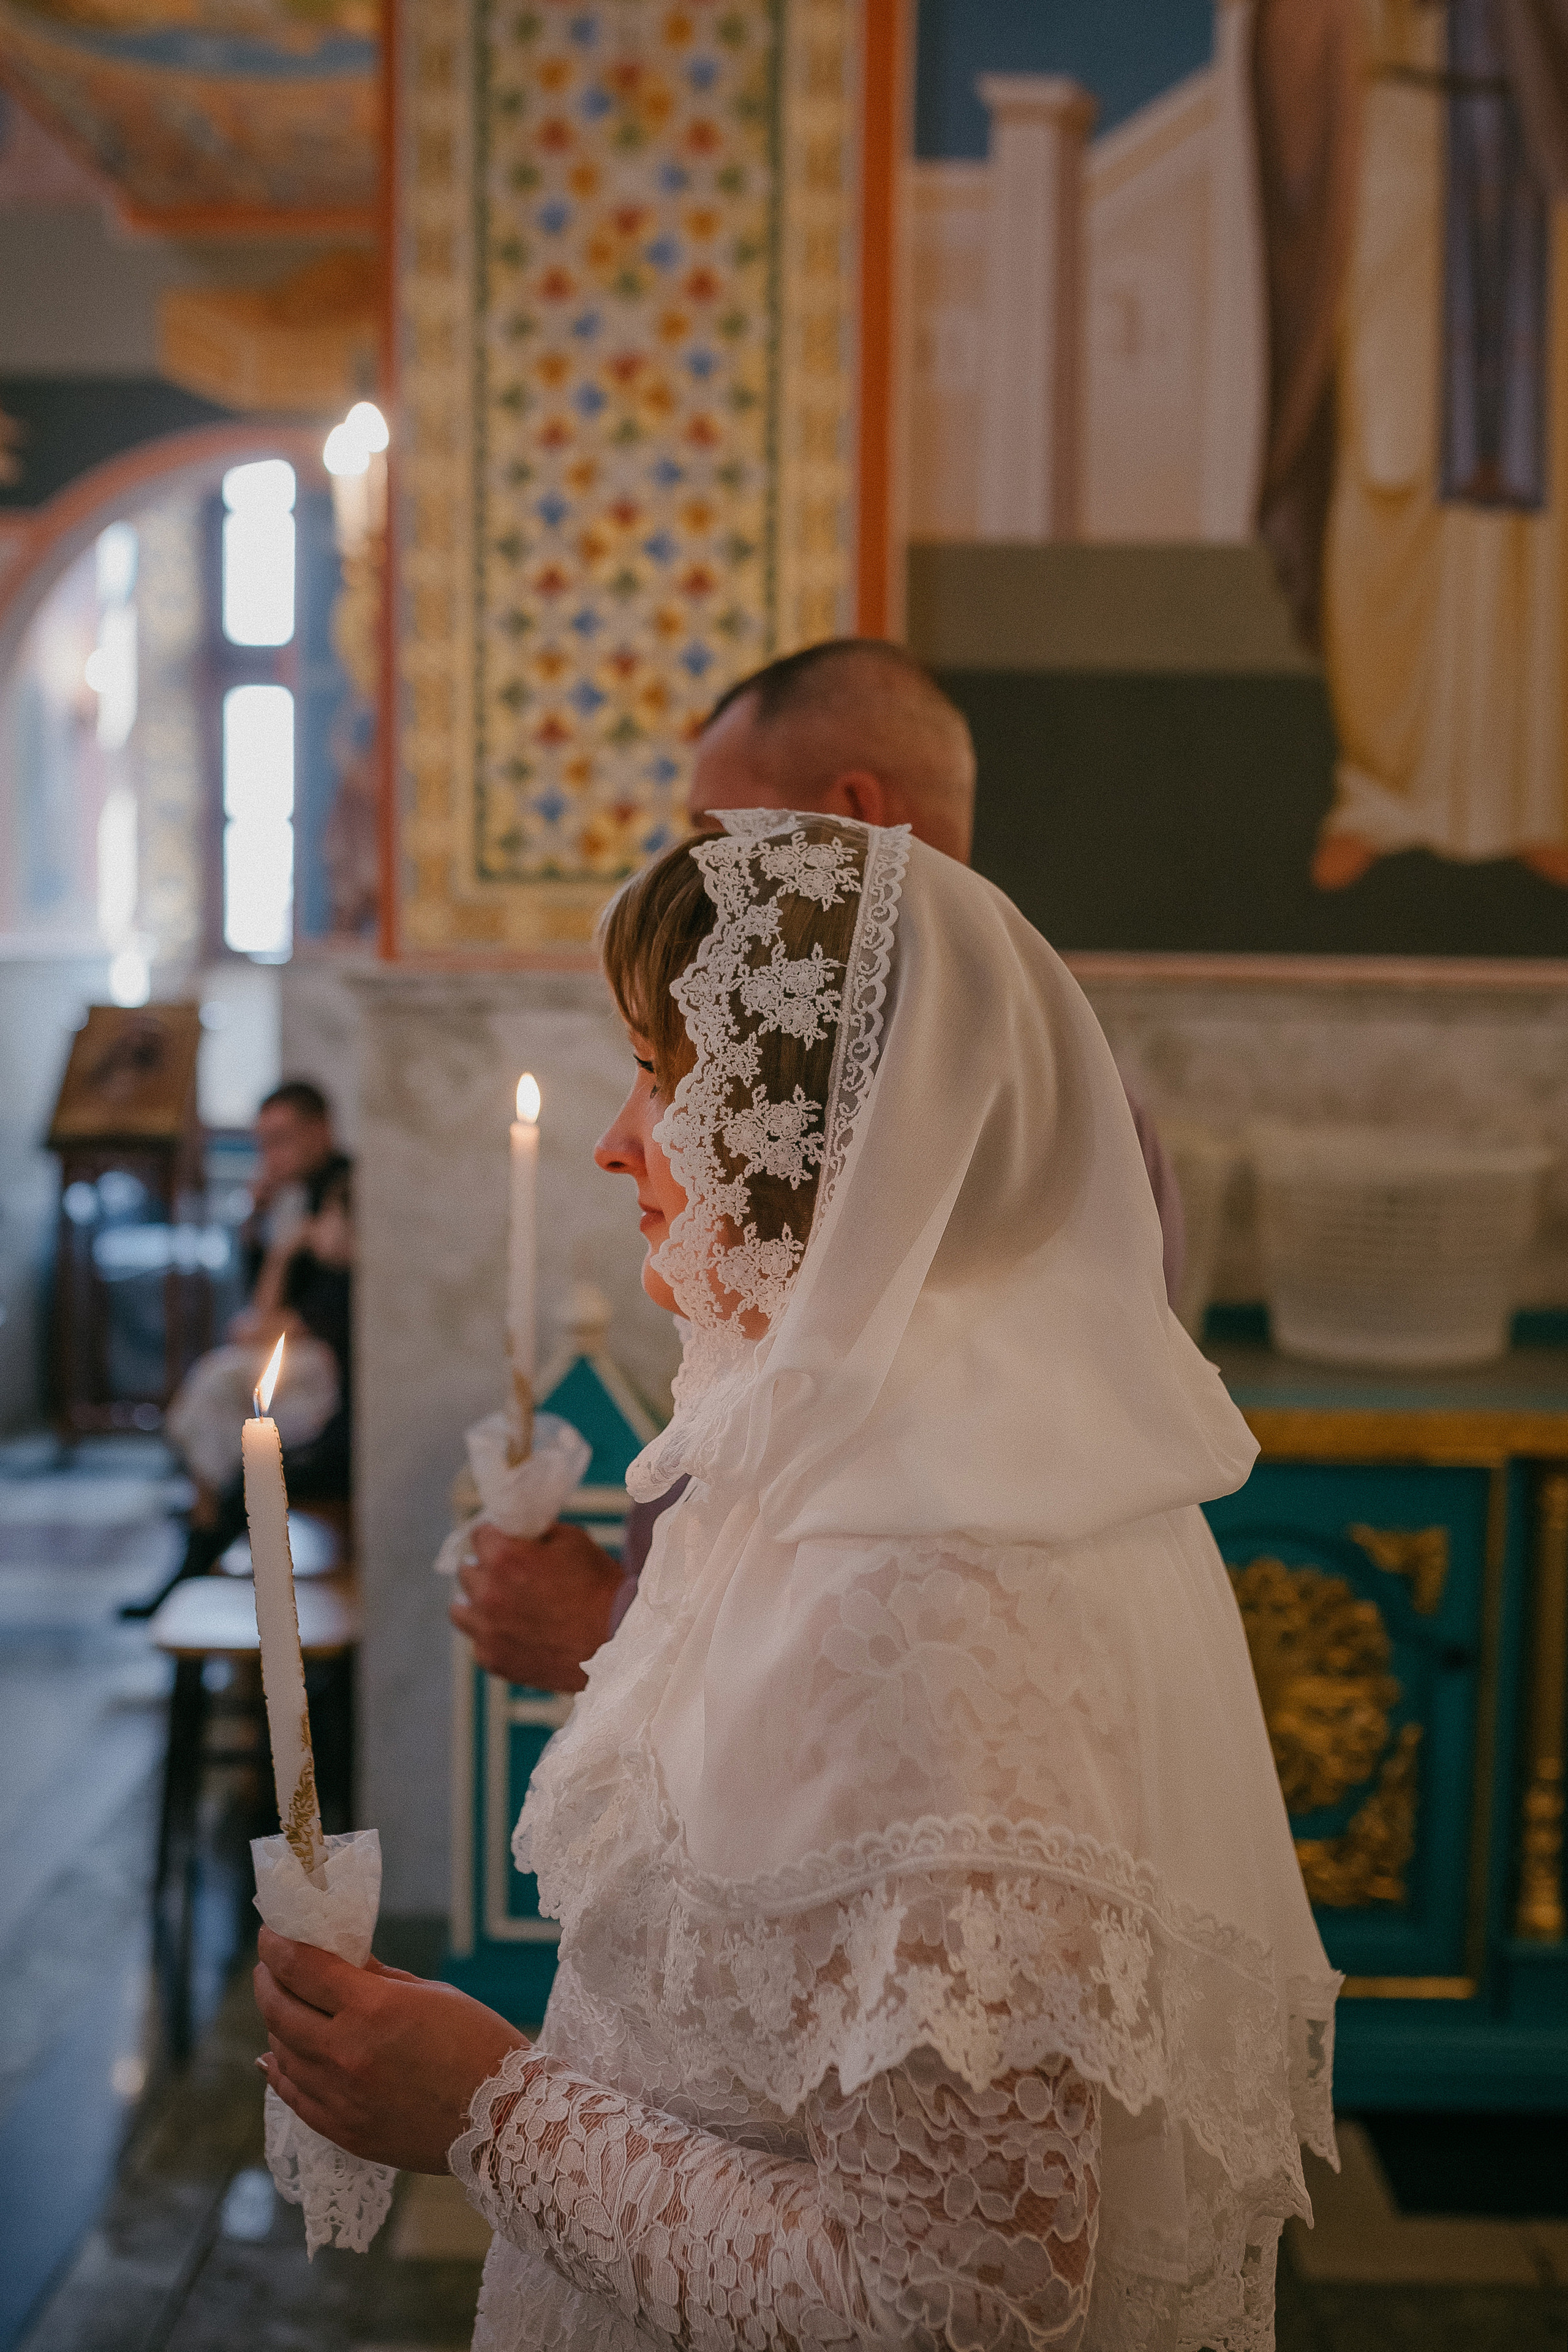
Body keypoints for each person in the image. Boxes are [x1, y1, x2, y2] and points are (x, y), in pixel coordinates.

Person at [255, 812, 1336, 2349]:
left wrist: (483, 2109)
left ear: (824, 1140)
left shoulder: (927, 1580)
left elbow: (953, 2305)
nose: (615, 1139)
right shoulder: (843, 1458)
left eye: (664, 1080)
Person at [453, 639, 1185, 1692]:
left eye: (716, 828)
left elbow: (899, 1621)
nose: (705, 866)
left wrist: (612, 1634)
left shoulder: (1020, 1121)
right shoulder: (985, 1089)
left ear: (852, 809)